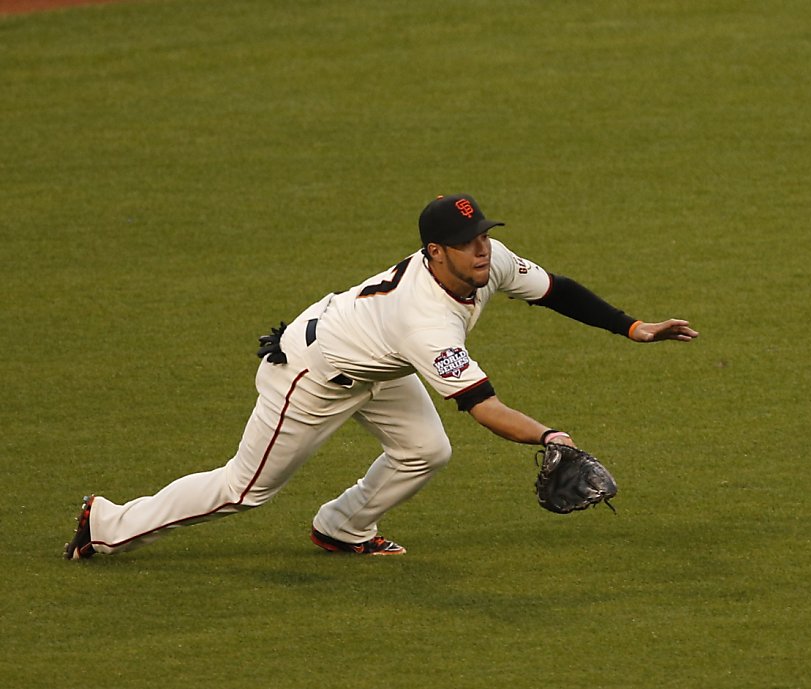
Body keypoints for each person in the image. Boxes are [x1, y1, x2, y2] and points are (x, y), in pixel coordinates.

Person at [63, 194, 698, 559]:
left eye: (483, 235)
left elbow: (557, 290)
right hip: (314, 372)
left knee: (424, 451)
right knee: (242, 490)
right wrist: (551, 436)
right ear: (434, 252)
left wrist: (634, 327)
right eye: (467, 241)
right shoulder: (425, 321)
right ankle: (106, 525)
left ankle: (342, 527)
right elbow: (482, 405)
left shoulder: (486, 263)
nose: (483, 249)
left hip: (373, 356)